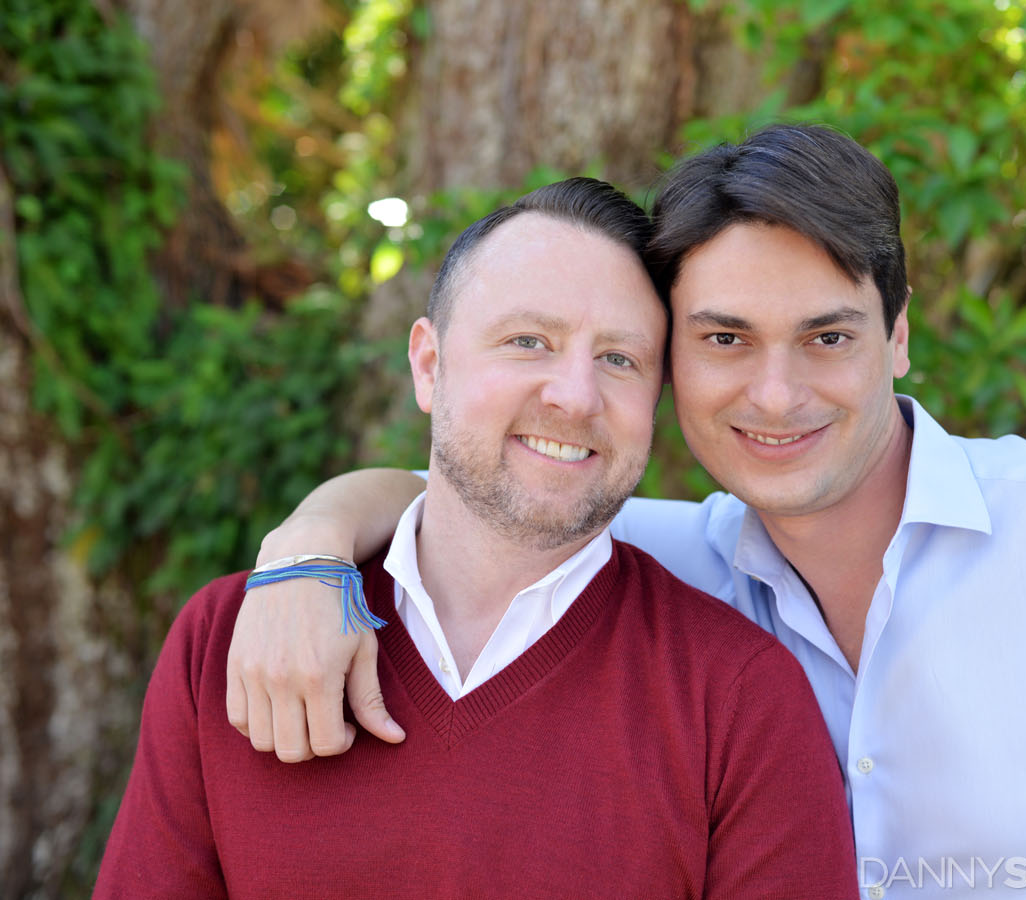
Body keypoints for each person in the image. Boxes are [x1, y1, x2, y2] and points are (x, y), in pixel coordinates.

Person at [228, 127, 1026, 896]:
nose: (775, 394)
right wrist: (306, 553)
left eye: (827, 336)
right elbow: (461, 492)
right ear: (669, 364)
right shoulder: (671, 560)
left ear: (898, 335)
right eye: (723, 340)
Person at [94, 178, 859, 899]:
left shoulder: (739, 698)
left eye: (619, 359)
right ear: (429, 365)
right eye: (528, 341)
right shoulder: (235, 641)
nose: (574, 395)